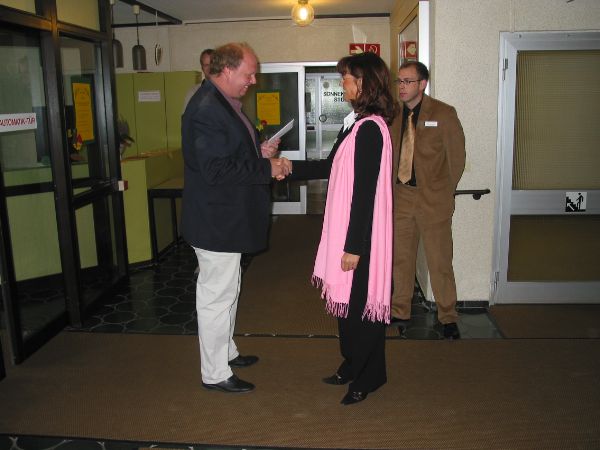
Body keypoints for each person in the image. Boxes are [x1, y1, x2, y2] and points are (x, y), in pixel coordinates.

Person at [181, 42, 290, 394]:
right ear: (227, 70)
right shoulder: (206, 109)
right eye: (249, 74)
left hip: (225, 220)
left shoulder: (222, 102)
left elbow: (228, 155)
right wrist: (266, 167)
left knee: (229, 290)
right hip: (216, 222)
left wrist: (259, 151)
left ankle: (226, 352)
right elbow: (215, 170)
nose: (253, 80)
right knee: (216, 298)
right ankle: (215, 373)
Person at [300, 51, 395, 405]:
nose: (343, 84)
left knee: (361, 310)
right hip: (349, 231)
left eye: (347, 78)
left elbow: (365, 194)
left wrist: (354, 246)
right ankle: (353, 363)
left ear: (365, 83)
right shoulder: (356, 124)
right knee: (348, 308)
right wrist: (282, 167)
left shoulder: (370, 130)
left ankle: (370, 375)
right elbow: (329, 167)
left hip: (361, 237)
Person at [389, 61, 466, 339]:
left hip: (433, 199)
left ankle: (448, 316)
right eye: (399, 81)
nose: (402, 87)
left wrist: (444, 192)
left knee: (439, 260)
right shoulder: (394, 115)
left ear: (422, 84)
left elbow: (457, 159)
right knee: (401, 258)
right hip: (402, 196)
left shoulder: (443, 113)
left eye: (408, 81)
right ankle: (400, 310)